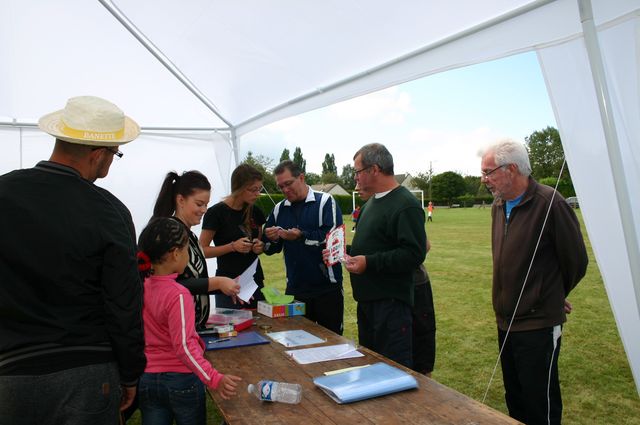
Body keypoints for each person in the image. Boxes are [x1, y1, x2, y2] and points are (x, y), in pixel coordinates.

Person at [0, 95, 146, 424]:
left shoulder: (4, 191)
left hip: (11, 371)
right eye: (115, 154)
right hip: (86, 374)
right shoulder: (109, 211)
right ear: (98, 155)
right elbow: (124, 304)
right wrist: (130, 373)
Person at [480, 139, 588, 425]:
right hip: (505, 322)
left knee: (540, 404)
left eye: (488, 172)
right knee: (515, 399)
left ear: (512, 169)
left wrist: (550, 294)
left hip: (538, 325)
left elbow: (576, 261)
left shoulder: (550, 203)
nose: (484, 179)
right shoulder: (497, 205)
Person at [137, 217, 241, 424]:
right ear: (176, 254)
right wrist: (213, 378)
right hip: (181, 380)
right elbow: (184, 346)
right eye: (187, 251)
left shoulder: (140, 286)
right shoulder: (178, 294)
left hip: (147, 378)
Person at [344, 143, 427, 368]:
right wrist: (344, 252)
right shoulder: (371, 203)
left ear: (374, 169)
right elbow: (372, 246)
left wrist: (368, 263)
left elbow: (413, 254)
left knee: (393, 372)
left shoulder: (405, 204)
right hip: (368, 302)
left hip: (391, 306)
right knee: (372, 368)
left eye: (357, 171)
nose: (355, 178)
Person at [353, 182, 436, 375]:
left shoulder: (402, 204)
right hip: (380, 296)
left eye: (359, 178)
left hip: (411, 287)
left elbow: (422, 247)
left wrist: (373, 261)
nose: (357, 186)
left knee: (415, 358)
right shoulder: (370, 207)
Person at [263, 160, 344, 335]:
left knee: (333, 341)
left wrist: (301, 236)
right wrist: (270, 238)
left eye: (288, 184)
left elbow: (333, 239)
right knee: (297, 341)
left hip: (327, 288)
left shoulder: (325, 201)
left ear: (301, 177)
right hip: (296, 289)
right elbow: (270, 248)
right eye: (280, 187)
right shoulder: (278, 209)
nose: (285, 190)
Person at [152, 171, 240, 329]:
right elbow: (169, 284)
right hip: (176, 329)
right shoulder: (170, 234)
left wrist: (225, 286)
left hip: (192, 327)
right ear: (181, 200)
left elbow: (196, 282)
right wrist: (217, 282)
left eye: (206, 204)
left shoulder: (190, 235)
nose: (204, 210)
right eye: (199, 204)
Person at [200, 164, 267, 309]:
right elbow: (202, 250)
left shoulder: (256, 212)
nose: (257, 194)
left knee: (259, 322)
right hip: (228, 284)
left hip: (254, 282)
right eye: (253, 189)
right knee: (231, 323)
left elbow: (259, 242)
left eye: (259, 189)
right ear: (239, 188)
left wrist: (259, 247)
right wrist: (232, 247)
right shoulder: (216, 213)